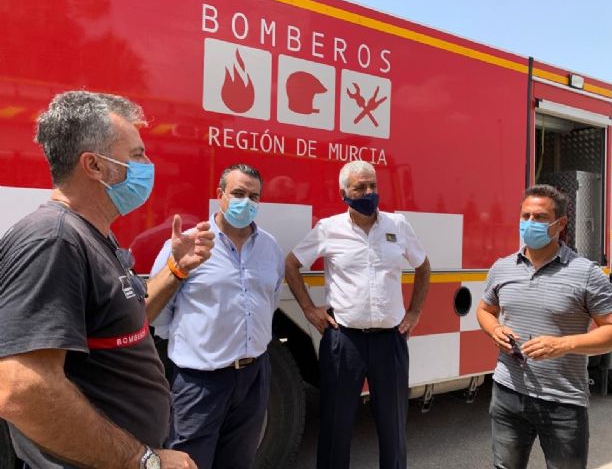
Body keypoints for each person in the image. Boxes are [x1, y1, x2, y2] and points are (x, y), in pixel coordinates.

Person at [0, 90, 215, 469]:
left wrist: (177, 270)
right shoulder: (53, 240)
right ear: (95, 165)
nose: (148, 163)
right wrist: (144, 460)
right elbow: (22, 390)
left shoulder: (94, 234)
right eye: (136, 154)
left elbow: (127, 323)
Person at [285, 160, 431, 469]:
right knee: (336, 426)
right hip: (344, 343)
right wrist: (309, 310)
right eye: (359, 187)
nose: (368, 192)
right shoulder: (328, 229)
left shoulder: (398, 225)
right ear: (344, 194)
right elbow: (291, 264)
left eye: (373, 186)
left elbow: (423, 266)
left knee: (393, 428)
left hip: (390, 342)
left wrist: (415, 310)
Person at [476, 184, 612, 469]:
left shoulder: (586, 273)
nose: (530, 223)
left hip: (562, 402)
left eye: (540, 217)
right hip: (507, 393)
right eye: (526, 216)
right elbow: (485, 310)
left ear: (560, 224)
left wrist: (563, 344)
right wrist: (494, 329)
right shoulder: (502, 267)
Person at [151, 163, 284, 469]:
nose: (245, 202)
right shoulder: (188, 245)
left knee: (239, 460)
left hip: (254, 376)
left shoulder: (270, 247)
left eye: (254, 196)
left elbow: (270, 299)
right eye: (238, 193)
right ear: (220, 195)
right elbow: (158, 311)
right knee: (189, 463)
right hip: (201, 382)